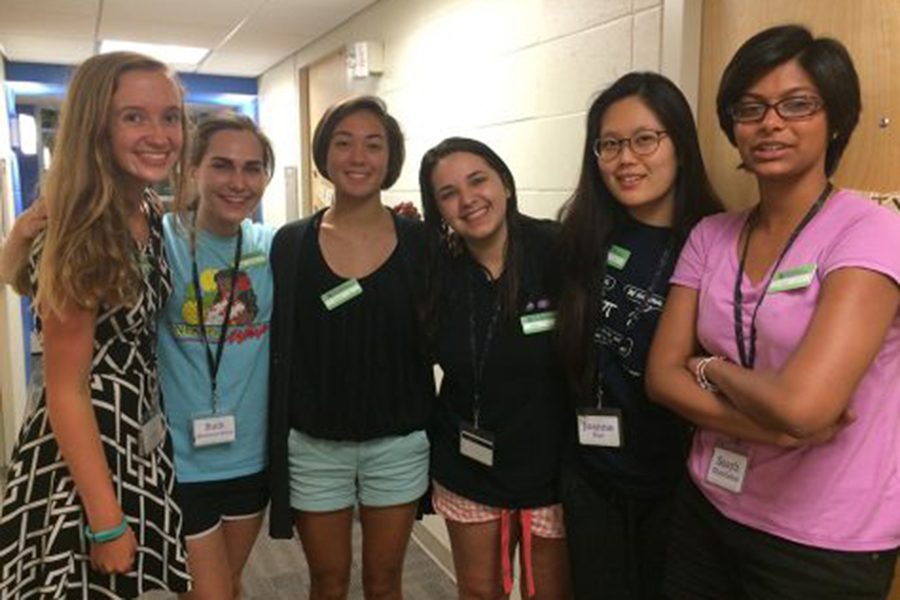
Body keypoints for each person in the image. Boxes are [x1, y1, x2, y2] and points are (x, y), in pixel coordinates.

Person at [645, 25, 900, 599]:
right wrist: (776, 429)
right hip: (709, 506)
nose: (770, 123)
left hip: (825, 539)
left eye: (797, 104)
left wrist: (712, 369)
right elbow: (662, 377)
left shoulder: (872, 233)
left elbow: (806, 409)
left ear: (836, 119)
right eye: (750, 108)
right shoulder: (711, 235)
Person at [0, 51, 191, 598]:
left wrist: (19, 237)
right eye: (134, 116)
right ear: (96, 127)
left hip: (136, 438)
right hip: (85, 463)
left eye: (170, 116)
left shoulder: (146, 210)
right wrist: (106, 519)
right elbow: (65, 389)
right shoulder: (87, 229)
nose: (159, 134)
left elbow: (21, 277)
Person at [553, 72, 721, 599]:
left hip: (678, 483)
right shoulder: (580, 235)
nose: (627, 159)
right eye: (610, 144)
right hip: (590, 475)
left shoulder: (714, 242)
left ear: (680, 143)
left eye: (645, 139)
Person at [268, 95, 433, 600]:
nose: (358, 157)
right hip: (315, 445)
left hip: (397, 444)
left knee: (385, 583)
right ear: (325, 154)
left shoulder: (424, 242)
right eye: (344, 143)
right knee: (328, 581)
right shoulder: (291, 242)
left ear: (390, 158)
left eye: (373, 144)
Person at [419, 137, 572, 600]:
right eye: (448, 193)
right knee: (480, 593)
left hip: (554, 472)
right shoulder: (437, 271)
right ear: (438, 209)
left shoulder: (558, 250)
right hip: (469, 467)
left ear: (504, 182)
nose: (467, 200)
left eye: (478, 180)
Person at [158, 113, 275, 600]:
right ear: (192, 169)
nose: (238, 182)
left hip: (250, 456)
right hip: (180, 459)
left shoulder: (272, 247)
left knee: (227, 583)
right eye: (222, 165)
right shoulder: (156, 239)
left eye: (252, 168)